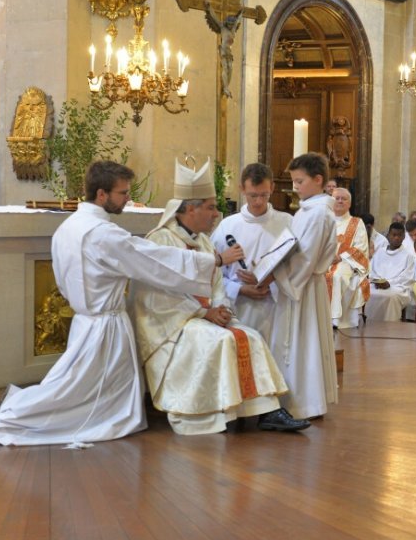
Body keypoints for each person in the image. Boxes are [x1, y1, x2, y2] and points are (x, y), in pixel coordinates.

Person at [0, 162, 220, 446]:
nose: (128, 198)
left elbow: (63, 279)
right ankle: (14, 416)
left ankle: (17, 410)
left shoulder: (67, 228)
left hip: (85, 320)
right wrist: (212, 261)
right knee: (81, 392)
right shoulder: (104, 234)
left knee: (79, 386)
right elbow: (152, 260)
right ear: (102, 194)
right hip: (107, 324)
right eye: (122, 193)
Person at [131, 162, 305, 435]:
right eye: (211, 207)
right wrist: (203, 313)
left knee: (249, 335)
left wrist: (222, 307)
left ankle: (267, 412)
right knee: (224, 339)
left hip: (205, 317)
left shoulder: (202, 242)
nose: (216, 214)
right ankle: (220, 410)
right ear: (191, 209)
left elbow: (216, 285)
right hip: (172, 326)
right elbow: (156, 296)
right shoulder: (161, 241)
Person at [271, 153, 339, 419]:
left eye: (299, 181)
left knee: (301, 342)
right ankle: (301, 400)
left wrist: (276, 274)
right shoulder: (309, 210)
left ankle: (302, 403)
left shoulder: (317, 212)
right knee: (303, 342)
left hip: (302, 285)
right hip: (305, 285)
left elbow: (305, 257)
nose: (295, 187)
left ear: (318, 179)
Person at [211, 163, 294, 348]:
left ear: (272, 187)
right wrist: (239, 289)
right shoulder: (227, 226)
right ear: (242, 189)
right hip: (239, 307)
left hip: (276, 308)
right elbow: (213, 274)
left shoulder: (287, 223)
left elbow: (297, 267)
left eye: (264, 195)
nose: (258, 201)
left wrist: (270, 279)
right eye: (253, 195)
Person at [327, 186, 370, 329]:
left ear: (349, 204)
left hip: (346, 262)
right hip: (323, 261)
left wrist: (339, 257)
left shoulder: (356, 223)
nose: (339, 201)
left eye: (343, 199)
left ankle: (334, 318)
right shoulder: (324, 221)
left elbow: (361, 248)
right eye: (336, 198)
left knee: (337, 276)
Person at [367, 221, 416, 321]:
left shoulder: (408, 256)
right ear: (388, 235)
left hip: (398, 288)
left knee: (390, 297)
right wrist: (377, 282)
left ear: (403, 237)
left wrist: (389, 283)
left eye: (399, 235)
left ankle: (389, 329)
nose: (396, 238)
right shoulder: (380, 252)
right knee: (366, 293)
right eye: (393, 235)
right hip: (377, 286)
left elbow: (407, 278)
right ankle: (369, 325)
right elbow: (371, 271)